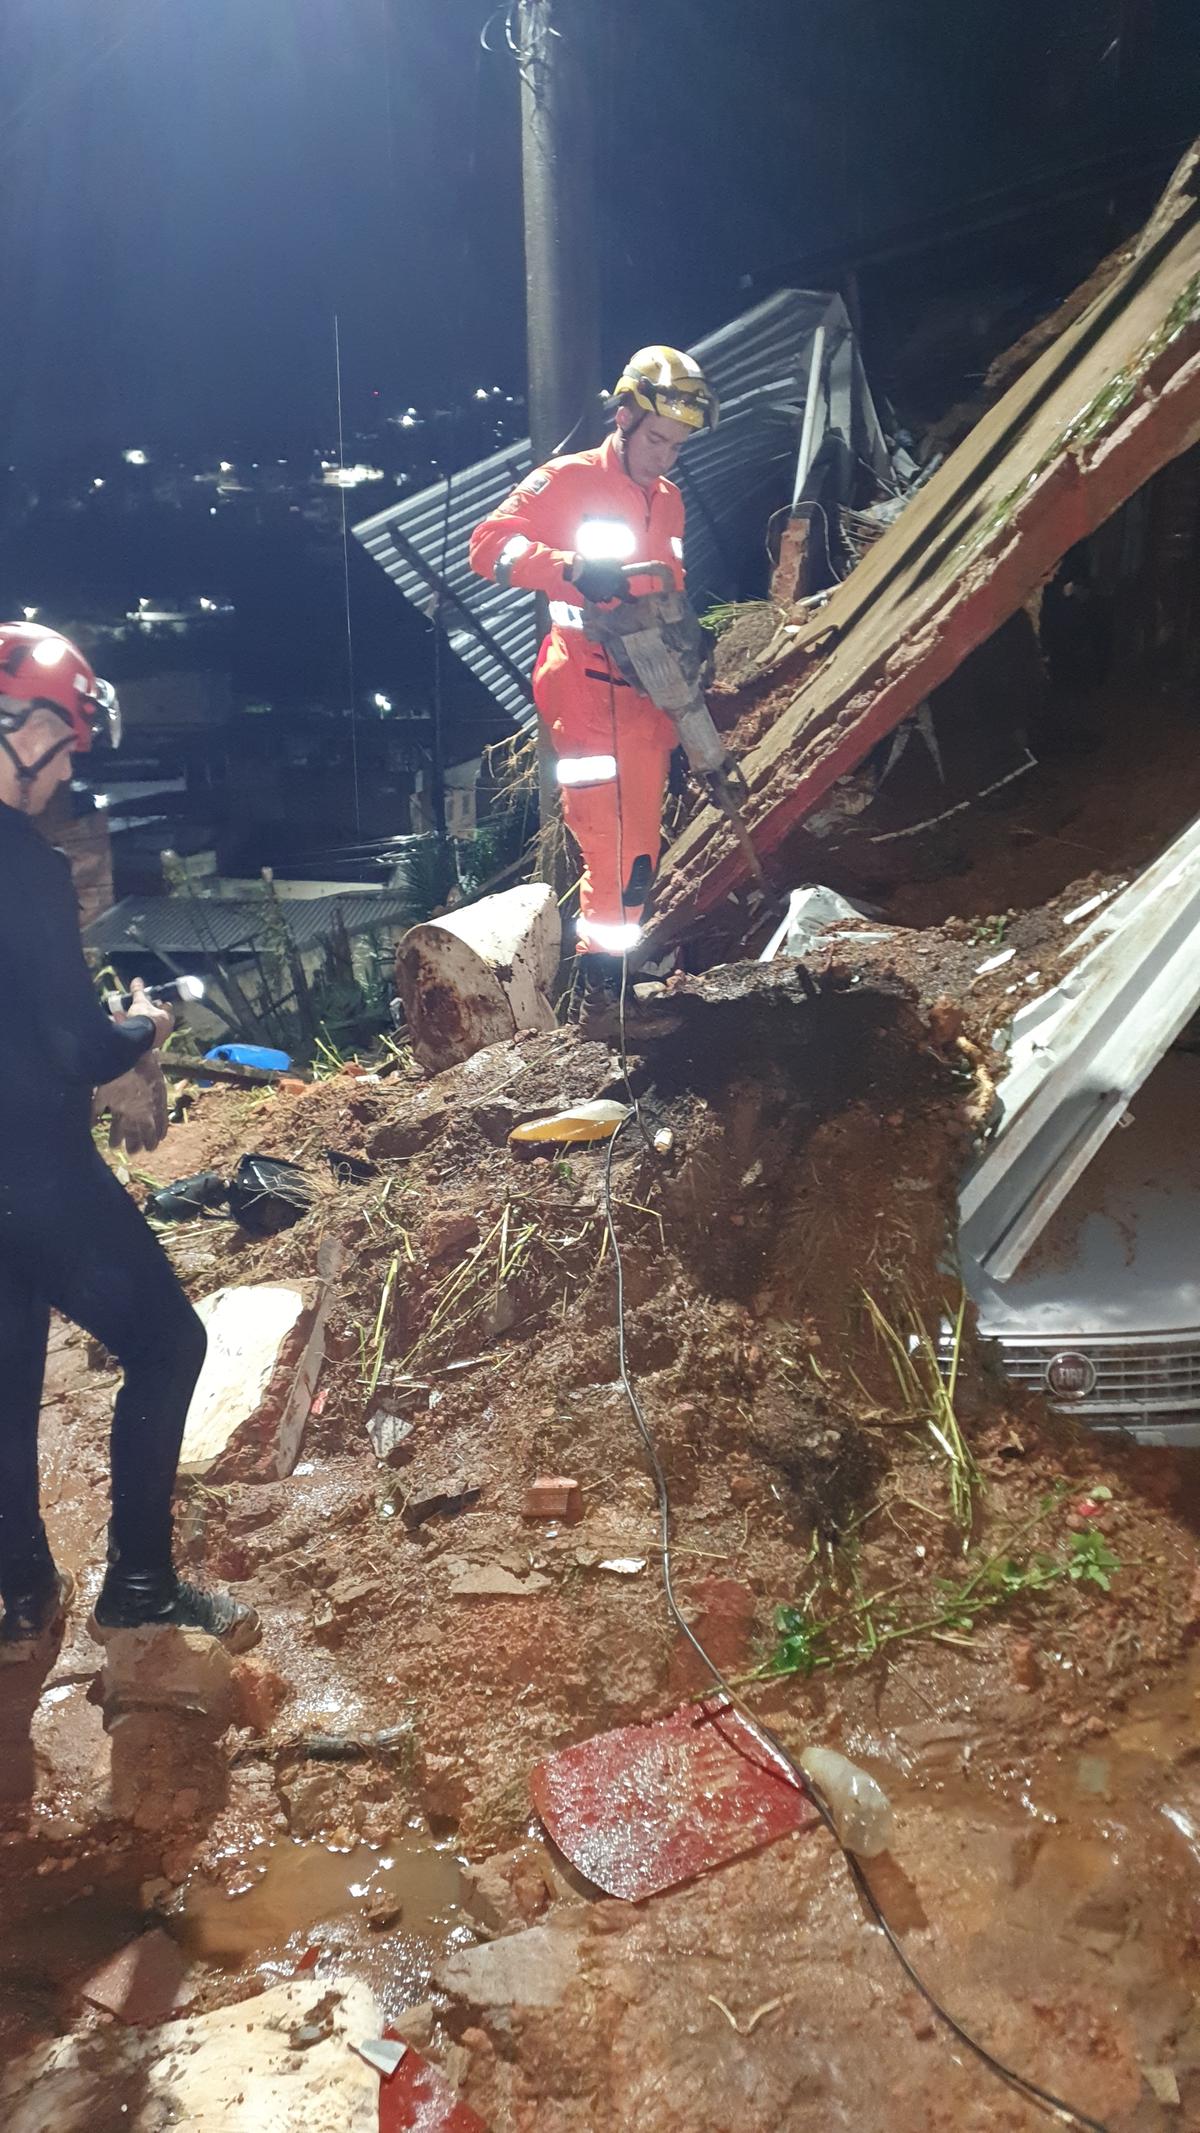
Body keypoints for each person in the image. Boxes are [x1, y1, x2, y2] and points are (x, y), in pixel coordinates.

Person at [0, 621, 259, 1659]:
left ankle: (20, 1592)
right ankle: (141, 1587)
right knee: (168, 1343)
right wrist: (147, 1028)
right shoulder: (23, 861)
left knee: (11, 1366)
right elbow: (72, 1043)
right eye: (62, 742)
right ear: (16, 727)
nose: (68, 769)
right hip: (30, 1162)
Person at [469, 345, 718, 1027]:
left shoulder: (667, 502)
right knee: (606, 843)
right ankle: (604, 993)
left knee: (639, 845)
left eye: (678, 444)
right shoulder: (568, 480)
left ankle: (620, 971)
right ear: (626, 417)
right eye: (658, 438)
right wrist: (573, 568)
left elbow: (671, 587)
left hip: (645, 690)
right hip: (582, 684)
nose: (665, 456)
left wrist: (693, 647)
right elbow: (489, 544)